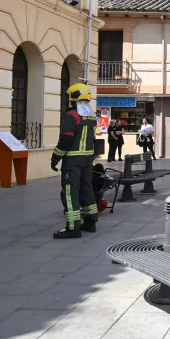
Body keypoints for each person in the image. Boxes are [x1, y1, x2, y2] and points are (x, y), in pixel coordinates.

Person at [51, 83, 99, 239]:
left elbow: (66, 139)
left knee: (70, 193)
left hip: (72, 161)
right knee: (87, 190)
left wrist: (55, 157)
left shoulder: (72, 115)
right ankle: (90, 223)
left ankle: (73, 228)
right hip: (87, 161)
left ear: (73, 98)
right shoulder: (91, 116)